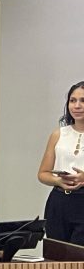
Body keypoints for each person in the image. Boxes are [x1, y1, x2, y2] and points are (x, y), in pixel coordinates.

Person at [38, 81, 84, 245]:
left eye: (83, 101)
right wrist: (59, 180)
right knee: (56, 256)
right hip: (59, 201)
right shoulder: (58, 134)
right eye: (73, 100)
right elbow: (43, 174)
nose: (77, 106)